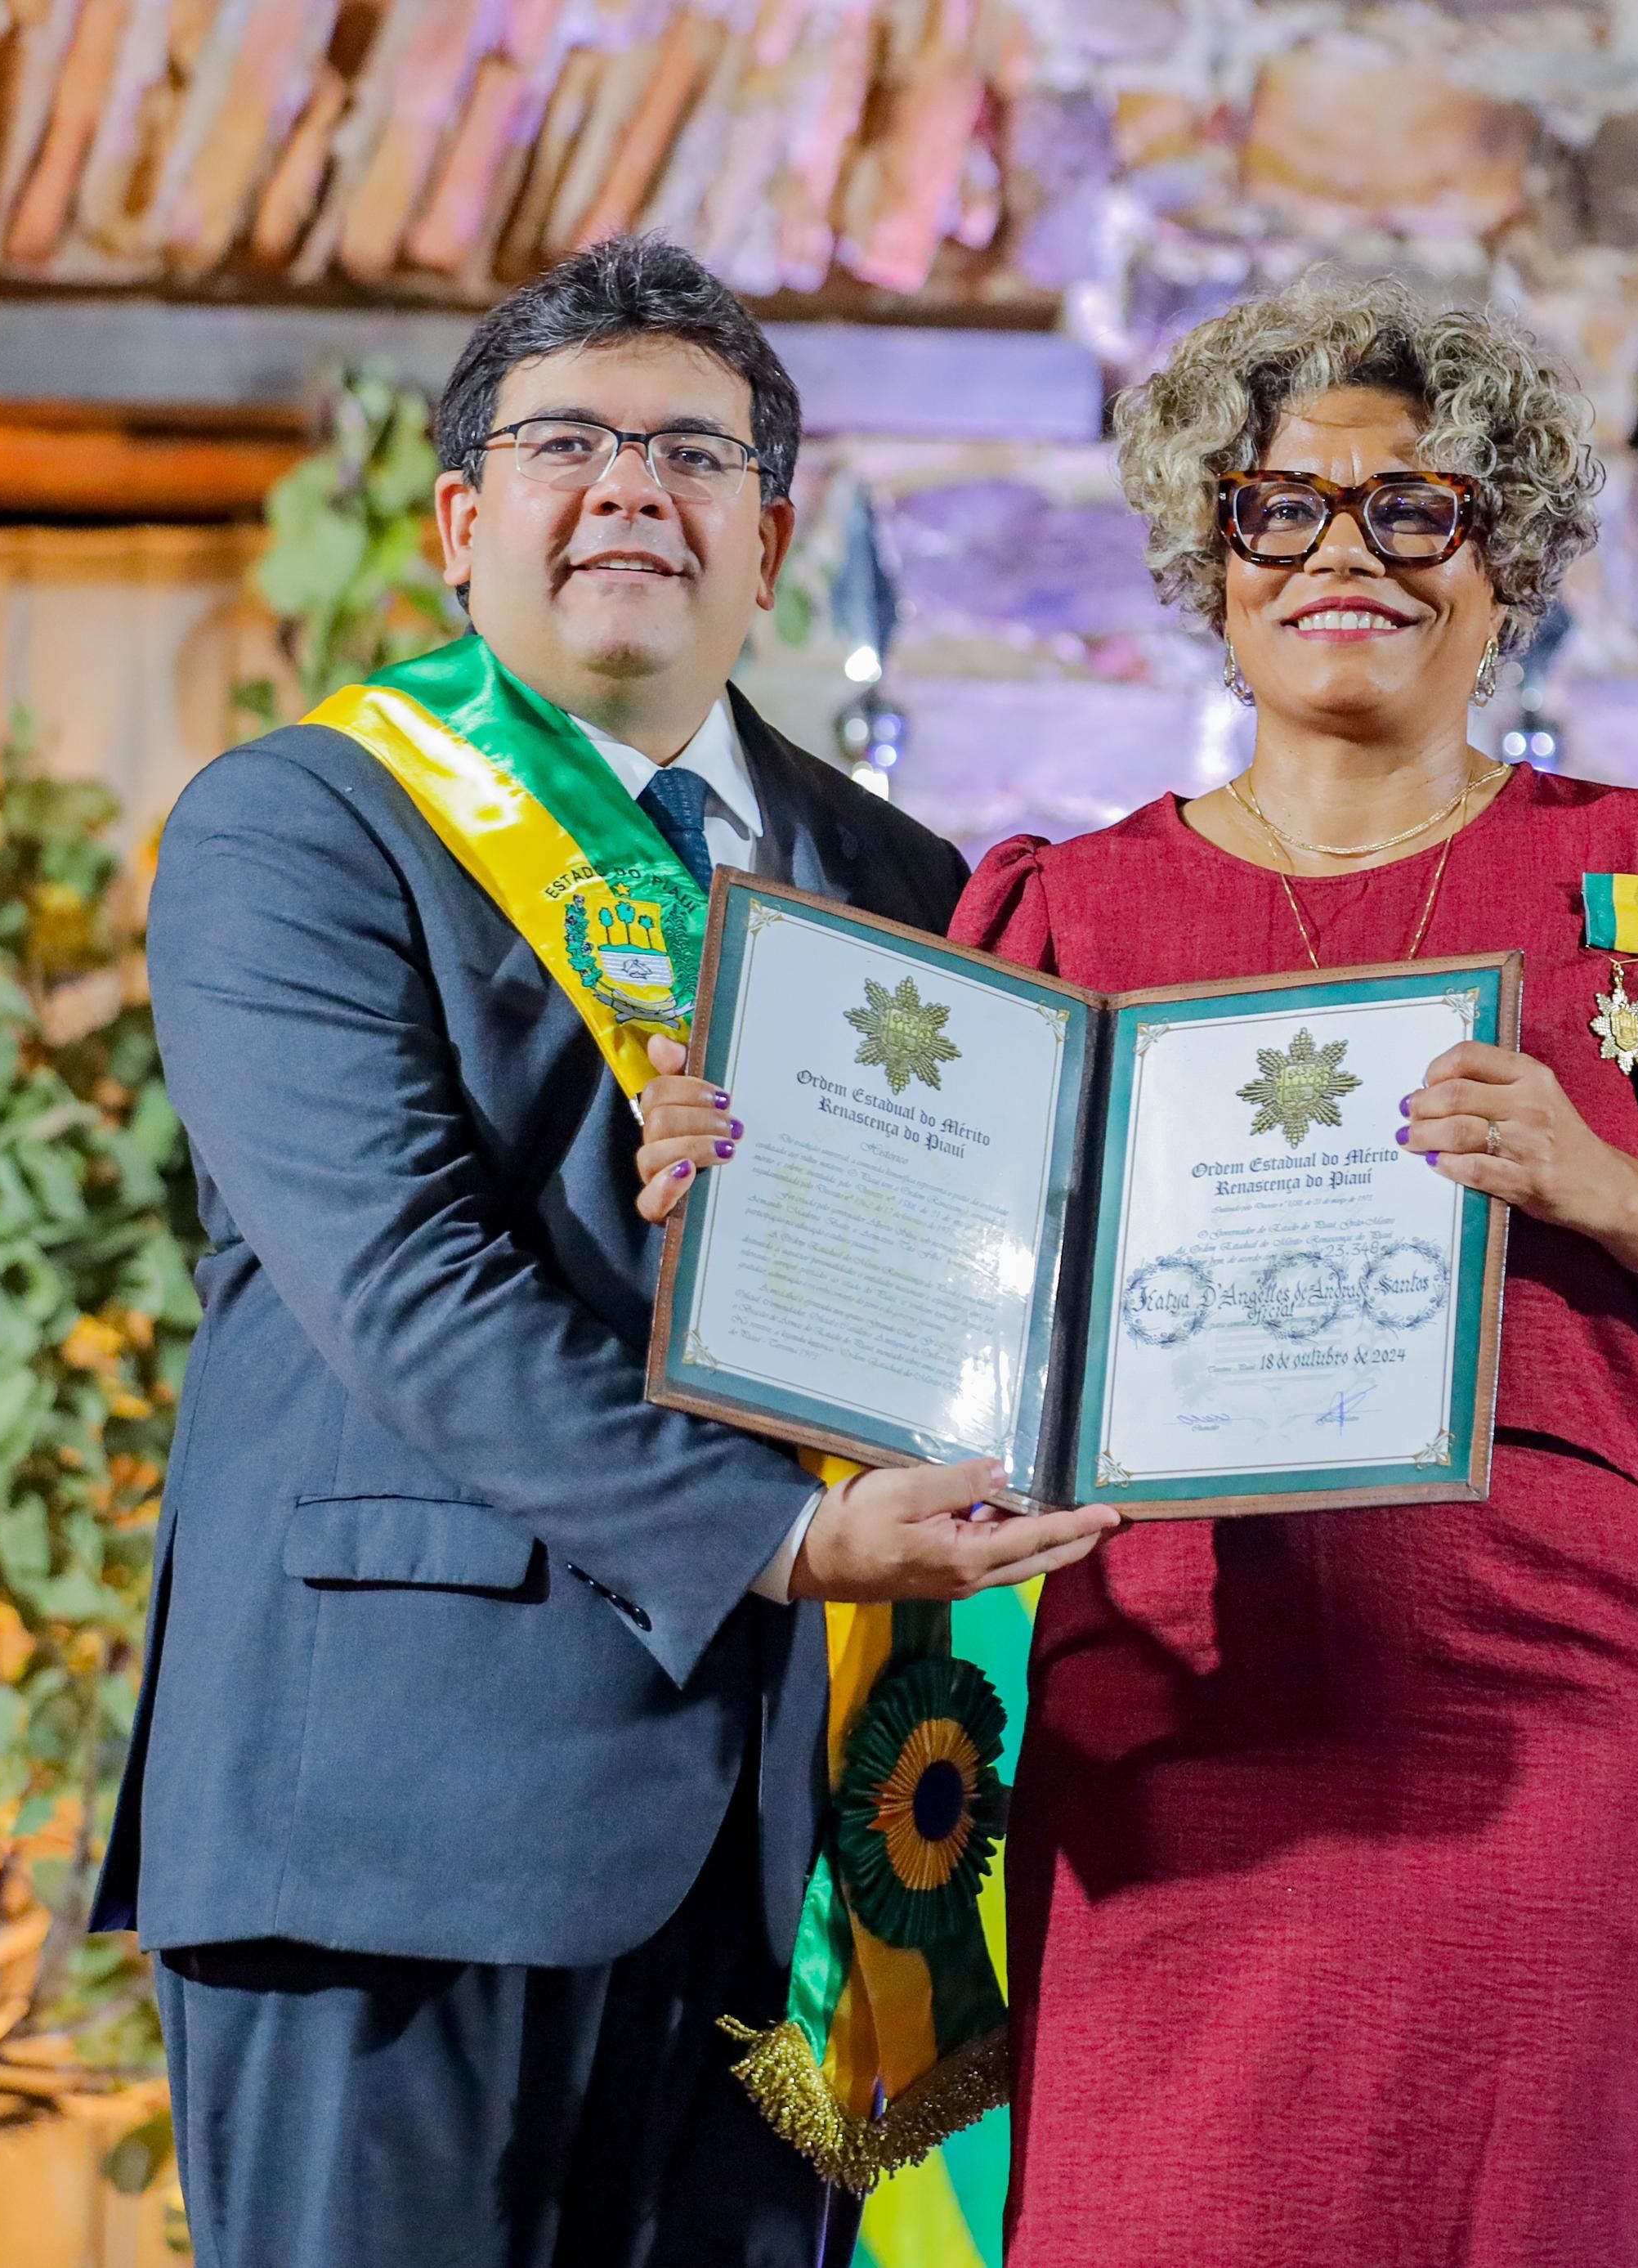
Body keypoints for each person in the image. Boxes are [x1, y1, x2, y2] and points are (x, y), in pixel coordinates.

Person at [639, 271, 1638, 2263]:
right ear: (1209, 565)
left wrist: (1597, 1187)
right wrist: (745, 1197)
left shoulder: (1636, 866)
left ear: (1511, 559)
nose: (1341, 556)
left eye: (1416, 510)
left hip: (1550, 1740)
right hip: (1177, 1731)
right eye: (1277, 510)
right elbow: (940, 1346)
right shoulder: (1063, 904)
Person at [94, 236, 1113, 2268]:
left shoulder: (914, 885)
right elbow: (404, 1285)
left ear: (771, 537)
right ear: (464, 520)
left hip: (784, 1853)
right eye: (568, 441)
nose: (633, 485)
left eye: (693, 453)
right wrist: (796, 1537)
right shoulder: (299, 828)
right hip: (382, 1818)